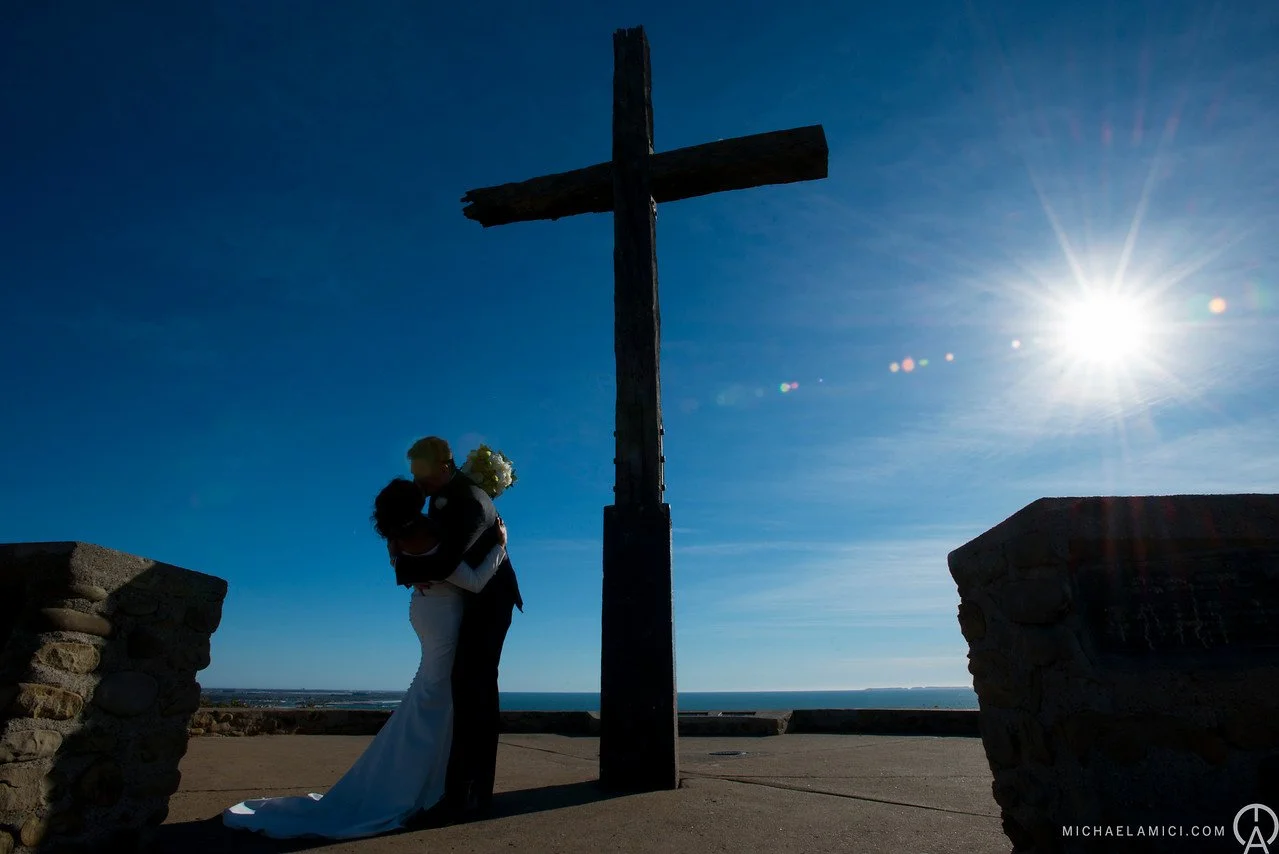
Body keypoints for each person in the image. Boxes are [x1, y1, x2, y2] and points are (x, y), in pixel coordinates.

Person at [222, 477, 507, 840]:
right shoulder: (430, 536)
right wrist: (499, 545)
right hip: (444, 618)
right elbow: (476, 581)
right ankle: (417, 783)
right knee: (436, 693)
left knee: (429, 688)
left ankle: (427, 777)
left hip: (423, 612)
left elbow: (405, 561)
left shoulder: (398, 539)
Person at [393, 436, 523, 824]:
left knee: (475, 690)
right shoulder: (443, 496)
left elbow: (448, 561)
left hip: (489, 600)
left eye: (422, 474)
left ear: (444, 468)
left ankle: (468, 794)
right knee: (470, 690)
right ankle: (468, 790)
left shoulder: (467, 501)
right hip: (473, 597)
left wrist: (404, 570)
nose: (417, 482)